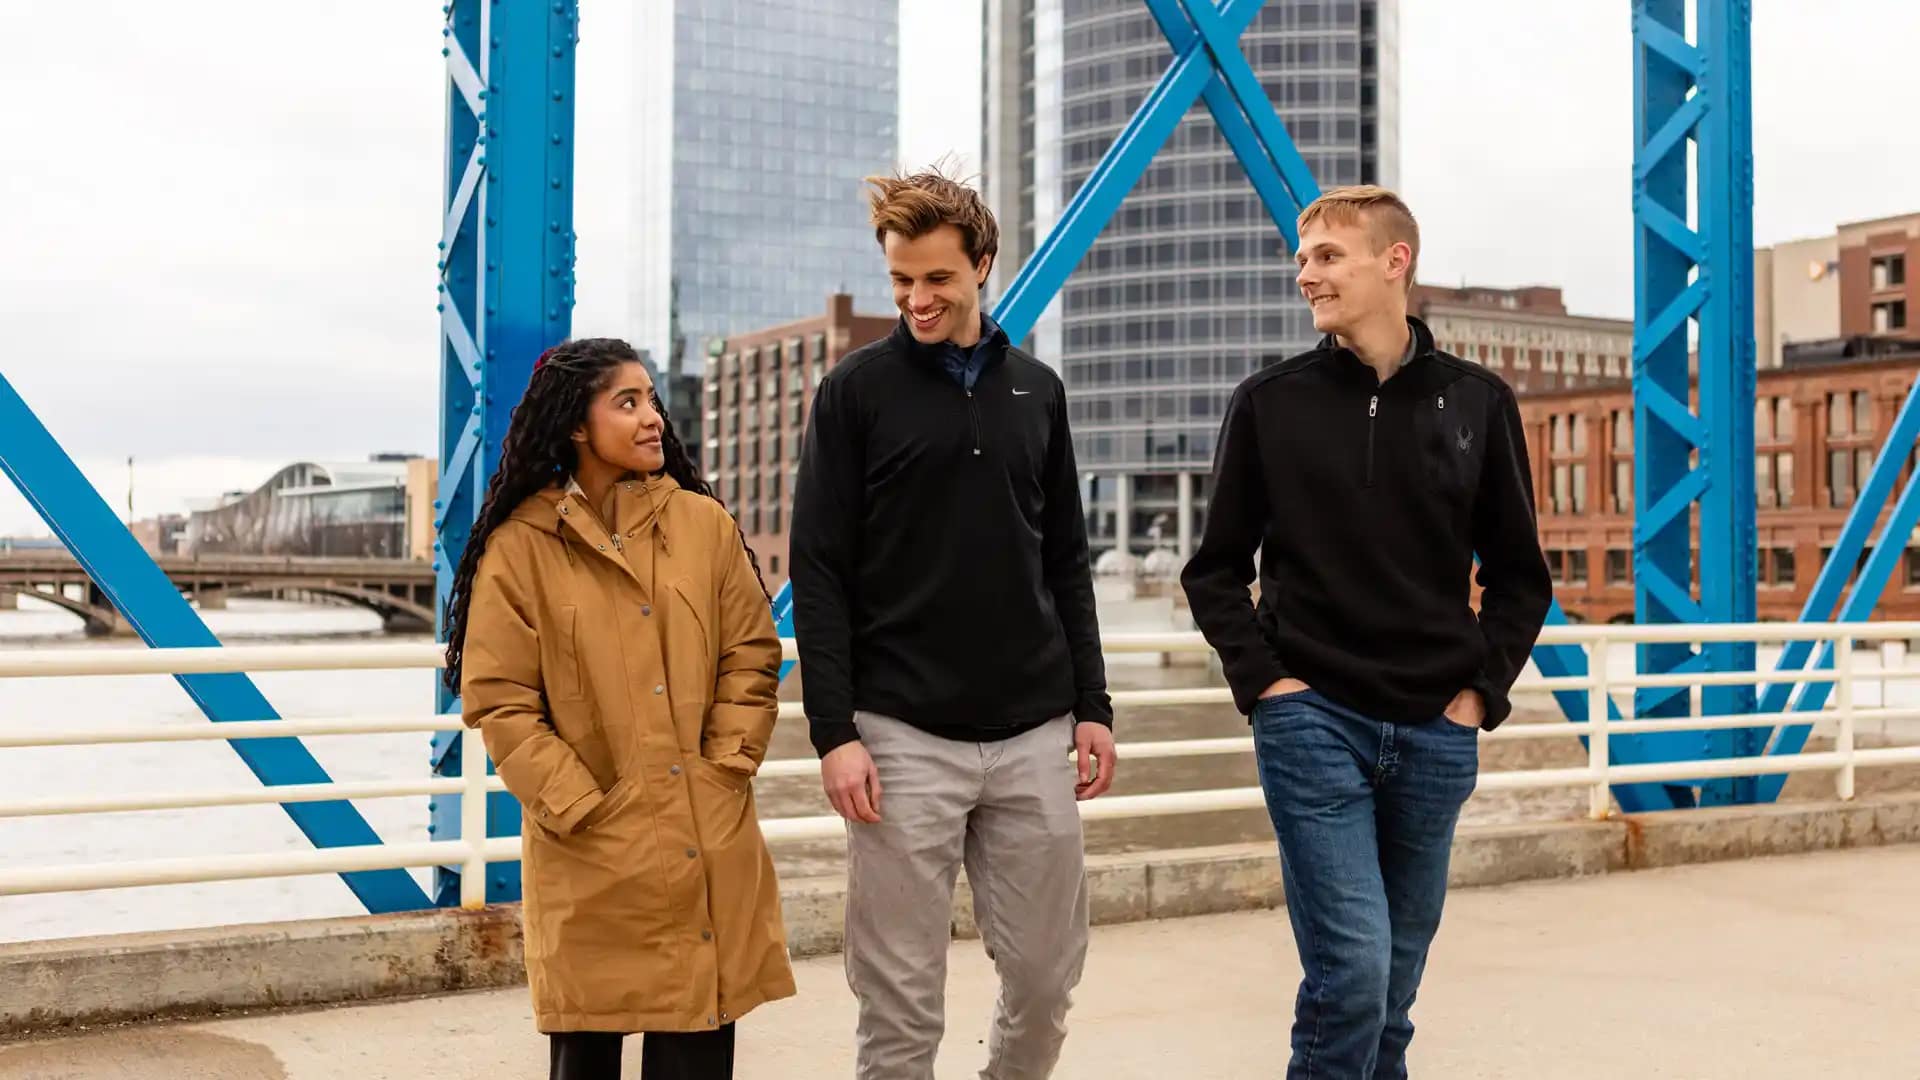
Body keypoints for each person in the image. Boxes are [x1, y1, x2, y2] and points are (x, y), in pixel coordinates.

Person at [1181, 185, 1552, 1079]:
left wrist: (1478, 694)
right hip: (1314, 720)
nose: (1305, 273)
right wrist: (1269, 688)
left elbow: (1519, 575)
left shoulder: (1478, 403)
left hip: (1436, 727)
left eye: (1327, 256)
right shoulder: (1269, 402)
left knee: (1392, 988)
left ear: (1396, 262)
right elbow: (1215, 569)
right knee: (1351, 975)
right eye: (1304, 257)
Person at [789, 168, 1117, 1080]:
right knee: (899, 1006)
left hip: (1033, 727)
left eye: (937, 279)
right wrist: (833, 733)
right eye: (901, 280)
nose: (917, 299)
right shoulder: (854, 393)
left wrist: (1094, 704)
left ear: (982, 263)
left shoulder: (1037, 393)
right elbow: (817, 571)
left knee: (1048, 979)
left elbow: (1066, 561)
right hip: (899, 735)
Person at [444, 338, 794, 1080]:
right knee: (586, 1055)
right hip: (590, 852)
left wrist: (724, 767)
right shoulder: (521, 548)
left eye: (652, 401)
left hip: (704, 834)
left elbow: (752, 654)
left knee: (698, 1045)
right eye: (627, 402)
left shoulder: (702, 526)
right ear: (576, 423)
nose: (651, 419)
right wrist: (579, 803)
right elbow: (499, 699)